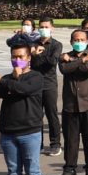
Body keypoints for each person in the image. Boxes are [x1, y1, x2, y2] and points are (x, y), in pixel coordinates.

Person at [0, 43, 45, 175]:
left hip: (30, 131)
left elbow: (24, 90)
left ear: (29, 58)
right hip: (8, 132)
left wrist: (9, 81)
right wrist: (8, 81)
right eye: (14, 57)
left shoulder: (36, 77)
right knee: (13, 171)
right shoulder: (8, 78)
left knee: (32, 170)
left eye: (21, 57)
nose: (17, 60)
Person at [56, 30, 88, 175]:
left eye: (82, 39)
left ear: (87, 41)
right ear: (71, 41)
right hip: (70, 105)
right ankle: (69, 169)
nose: (79, 42)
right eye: (76, 39)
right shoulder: (64, 57)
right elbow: (64, 69)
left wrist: (73, 63)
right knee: (70, 139)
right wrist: (81, 61)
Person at [30, 16, 63, 156]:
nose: (44, 29)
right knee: (36, 116)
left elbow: (52, 61)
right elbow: (29, 62)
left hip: (49, 84)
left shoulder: (56, 44)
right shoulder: (33, 43)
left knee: (52, 115)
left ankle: (55, 144)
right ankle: (38, 144)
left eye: (46, 27)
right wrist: (33, 55)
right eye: (41, 27)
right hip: (34, 84)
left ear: (52, 28)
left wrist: (37, 55)